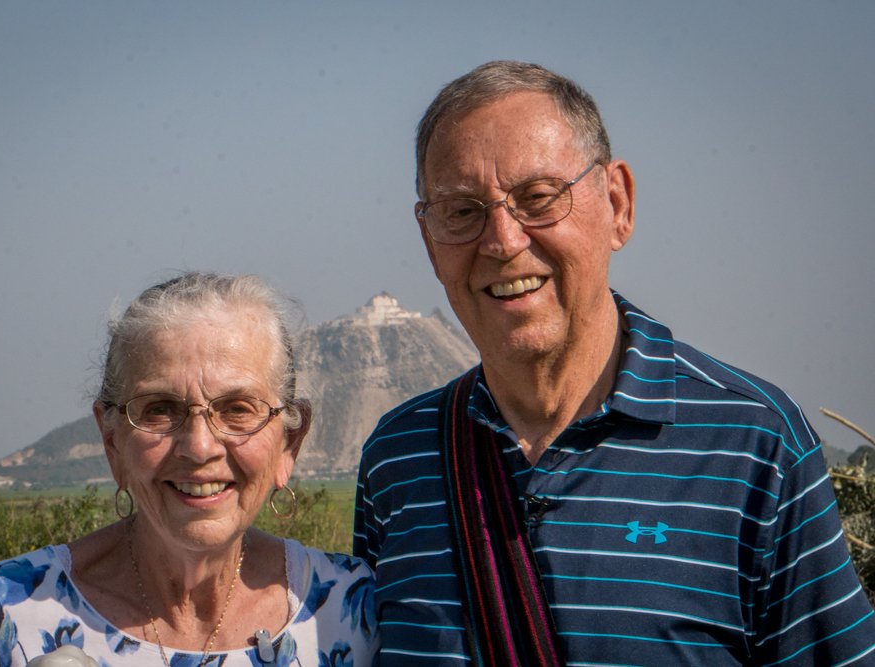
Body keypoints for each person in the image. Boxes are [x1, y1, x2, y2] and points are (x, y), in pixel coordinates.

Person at [353, 60, 875, 665]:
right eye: (463, 211)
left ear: (617, 203)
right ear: (429, 240)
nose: (502, 241)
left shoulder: (755, 447)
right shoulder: (399, 458)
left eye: (538, 197)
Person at [0, 272, 378, 666]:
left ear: (289, 443)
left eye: (237, 409)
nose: (200, 447)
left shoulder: (355, 612)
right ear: (111, 440)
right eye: (160, 409)